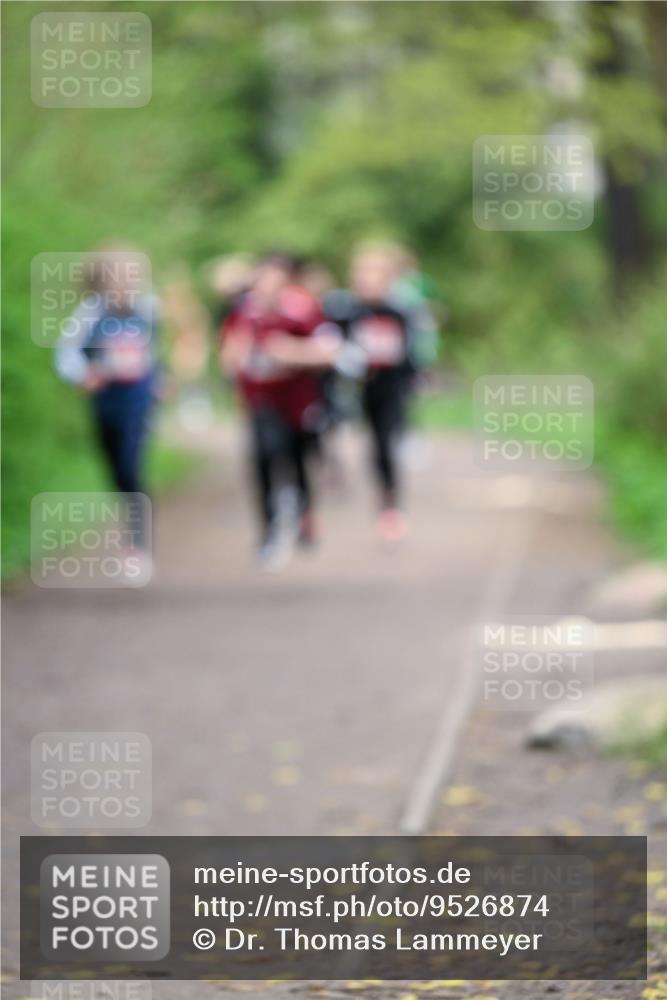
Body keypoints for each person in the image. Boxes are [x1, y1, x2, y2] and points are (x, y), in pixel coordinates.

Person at [219, 252, 338, 569]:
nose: (268, 287)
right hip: (261, 401)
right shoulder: (244, 313)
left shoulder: (304, 311)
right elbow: (229, 354)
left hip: (298, 403)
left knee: (298, 460)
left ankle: (303, 513)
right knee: (263, 457)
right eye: (263, 280)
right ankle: (269, 531)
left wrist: (292, 352)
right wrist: (236, 356)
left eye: (276, 280)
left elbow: (330, 352)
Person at [55, 246, 158, 555]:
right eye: (121, 275)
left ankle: (137, 542)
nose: (128, 282)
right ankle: (131, 514)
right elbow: (66, 354)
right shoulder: (90, 312)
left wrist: (161, 377)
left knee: (130, 463)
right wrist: (84, 374)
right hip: (105, 400)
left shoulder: (149, 309)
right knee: (115, 468)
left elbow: (156, 349)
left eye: (132, 275)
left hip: (138, 398)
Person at [328, 244, 421, 543]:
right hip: (354, 390)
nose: (370, 283)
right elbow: (330, 345)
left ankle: (389, 504)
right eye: (364, 277)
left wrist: (409, 381)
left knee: (383, 445)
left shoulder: (399, 313)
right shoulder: (346, 312)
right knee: (349, 439)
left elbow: (409, 355)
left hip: (390, 390)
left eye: (376, 277)